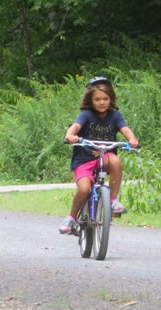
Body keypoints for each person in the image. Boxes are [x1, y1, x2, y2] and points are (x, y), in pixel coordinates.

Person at [60, 76, 140, 235]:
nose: (102, 102)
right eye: (97, 99)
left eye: (105, 99)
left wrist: (132, 139)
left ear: (111, 99)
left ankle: (113, 200)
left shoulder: (115, 116)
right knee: (84, 189)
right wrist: (70, 136)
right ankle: (71, 217)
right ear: (91, 100)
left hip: (104, 157)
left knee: (116, 161)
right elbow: (75, 127)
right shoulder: (86, 115)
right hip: (84, 160)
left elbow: (125, 129)